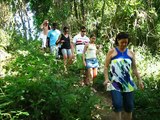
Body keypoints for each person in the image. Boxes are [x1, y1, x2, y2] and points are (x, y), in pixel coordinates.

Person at [103, 32, 144, 120]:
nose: (124, 44)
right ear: (118, 40)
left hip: (128, 82)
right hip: (115, 82)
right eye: (122, 42)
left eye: (126, 42)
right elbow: (106, 67)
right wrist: (106, 79)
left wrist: (140, 80)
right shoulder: (112, 51)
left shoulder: (131, 53)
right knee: (117, 104)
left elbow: (134, 69)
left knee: (129, 106)